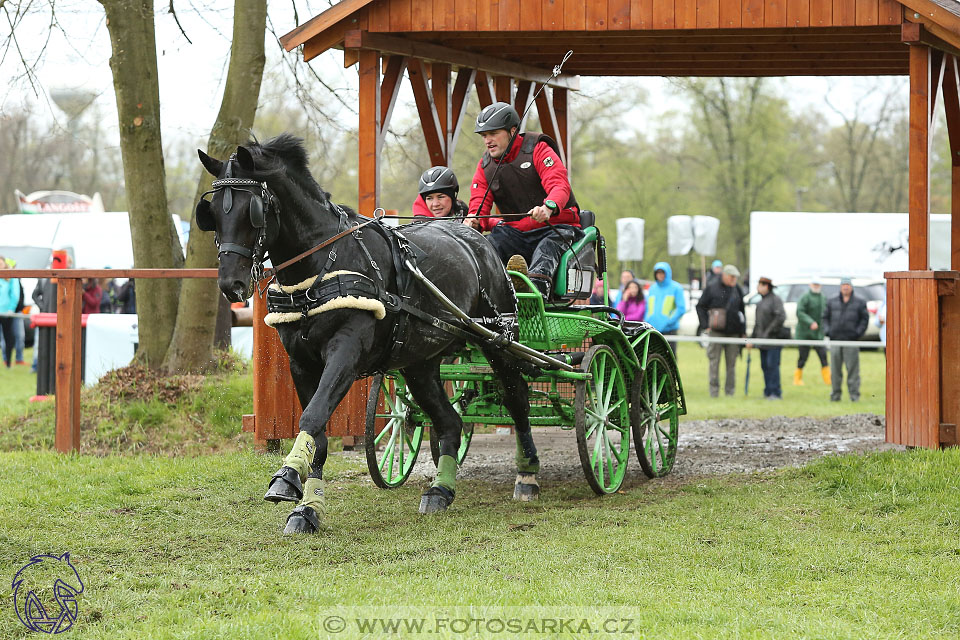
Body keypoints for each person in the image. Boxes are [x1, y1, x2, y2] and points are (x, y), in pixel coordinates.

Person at [464, 102, 582, 298]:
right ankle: (492, 297)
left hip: (556, 228)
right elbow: (479, 203)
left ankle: (533, 297)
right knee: (487, 247)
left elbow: (559, 184)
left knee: (546, 250)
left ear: (512, 131)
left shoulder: (538, 149)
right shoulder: (485, 166)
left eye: (493, 133)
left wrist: (549, 207)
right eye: (484, 135)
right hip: (516, 233)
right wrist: (473, 219)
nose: (487, 141)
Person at [696, 264, 746, 397]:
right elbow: (700, 306)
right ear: (724, 275)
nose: (734, 279)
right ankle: (714, 392)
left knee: (731, 364)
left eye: (735, 277)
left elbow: (742, 311)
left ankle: (730, 393)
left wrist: (743, 332)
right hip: (716, 331)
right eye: (731, 277)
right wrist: (705, 324)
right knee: (714, 362)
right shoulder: (712, 288)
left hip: (734, 332)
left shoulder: (737, 289)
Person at [822, 277, 869, 402]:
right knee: (835, 371)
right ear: (840, 287)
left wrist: (857, 333)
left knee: (853, 371)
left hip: (851, 341)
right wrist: (828, 331)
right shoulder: (832, 301)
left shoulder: (859, 302)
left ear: (851, 287)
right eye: (843, 285)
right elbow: (824, 318)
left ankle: (854, 396)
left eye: (848, 285)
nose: (845, 287)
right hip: (835, 340)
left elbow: (864, 320)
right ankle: (835, 396)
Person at [749, 276, 786, 400]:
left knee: (772, 366)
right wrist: (752, 339)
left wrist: (768, 332)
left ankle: (775, 392)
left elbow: (780, 317)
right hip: (762, 341)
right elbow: (757, 323)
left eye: (760, 285)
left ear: (766, 286)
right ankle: (768, 391)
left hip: (773, 340)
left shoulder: (776, 300)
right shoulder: (760, 302)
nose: (758, 287)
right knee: (765, 366)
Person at [644, 262, 686, 356]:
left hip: (669, 330)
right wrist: (647, 320)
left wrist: (668, 321)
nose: (660, 275)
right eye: (658, 273)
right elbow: (648, 308)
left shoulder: (676, 288)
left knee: (669, 358)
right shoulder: (652, 288)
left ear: (667, 273)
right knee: (653, 357)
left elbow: (681, 308)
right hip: (653, 329)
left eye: (662, 272)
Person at [795, 278, 830, 386]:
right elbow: (800, 312)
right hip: (804, 333)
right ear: (810, 285)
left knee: (823, 356)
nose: (816, 286)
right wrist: (810, 322)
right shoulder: (805, 297)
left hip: (818, 334)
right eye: (814, 284)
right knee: (803, 357)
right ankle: (797, 379)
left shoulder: (823, 298)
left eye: (818, 284)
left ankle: (828, 379)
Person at [0, 257, 21, 367]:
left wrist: (11, 309)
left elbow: (15, 294)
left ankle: (8, 361)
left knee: (9, 337)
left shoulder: (11, 277)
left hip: (6, 313)